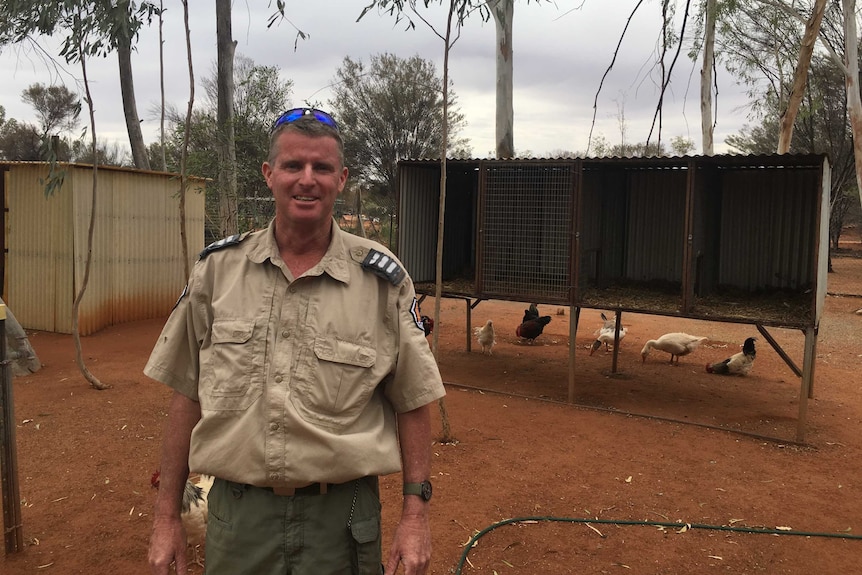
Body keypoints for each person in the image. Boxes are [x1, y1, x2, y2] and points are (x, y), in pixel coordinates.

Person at [146, 108, 446, 575]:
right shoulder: (217, 272)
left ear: (341, 179)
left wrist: (416, 513)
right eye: (293, 166)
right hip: (239, 521)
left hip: (342, 522)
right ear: (269, 174)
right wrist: (166, 517)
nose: (307, 180)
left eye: (322, 168)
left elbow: (413, 399)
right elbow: (186, 393)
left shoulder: (382, 280)